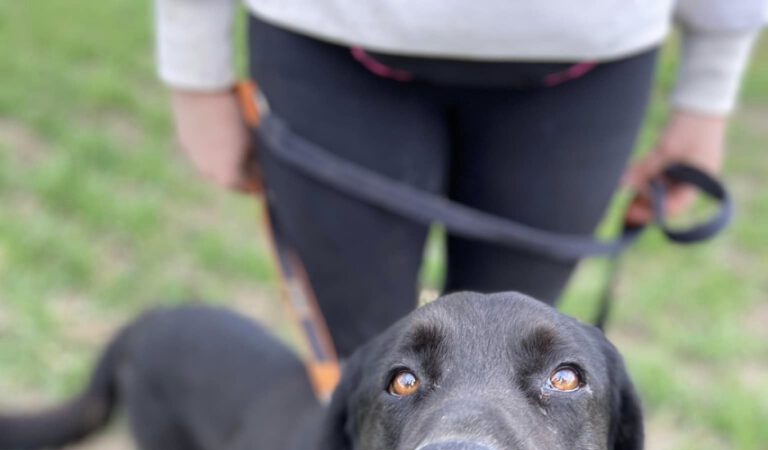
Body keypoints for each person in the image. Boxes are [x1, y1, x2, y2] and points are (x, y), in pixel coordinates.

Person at [154, 1, 765, 356]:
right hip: (327, 44)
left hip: (589, 67)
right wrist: (194, 69)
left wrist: (709, 88)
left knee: (508, 359)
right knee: (363, 358)